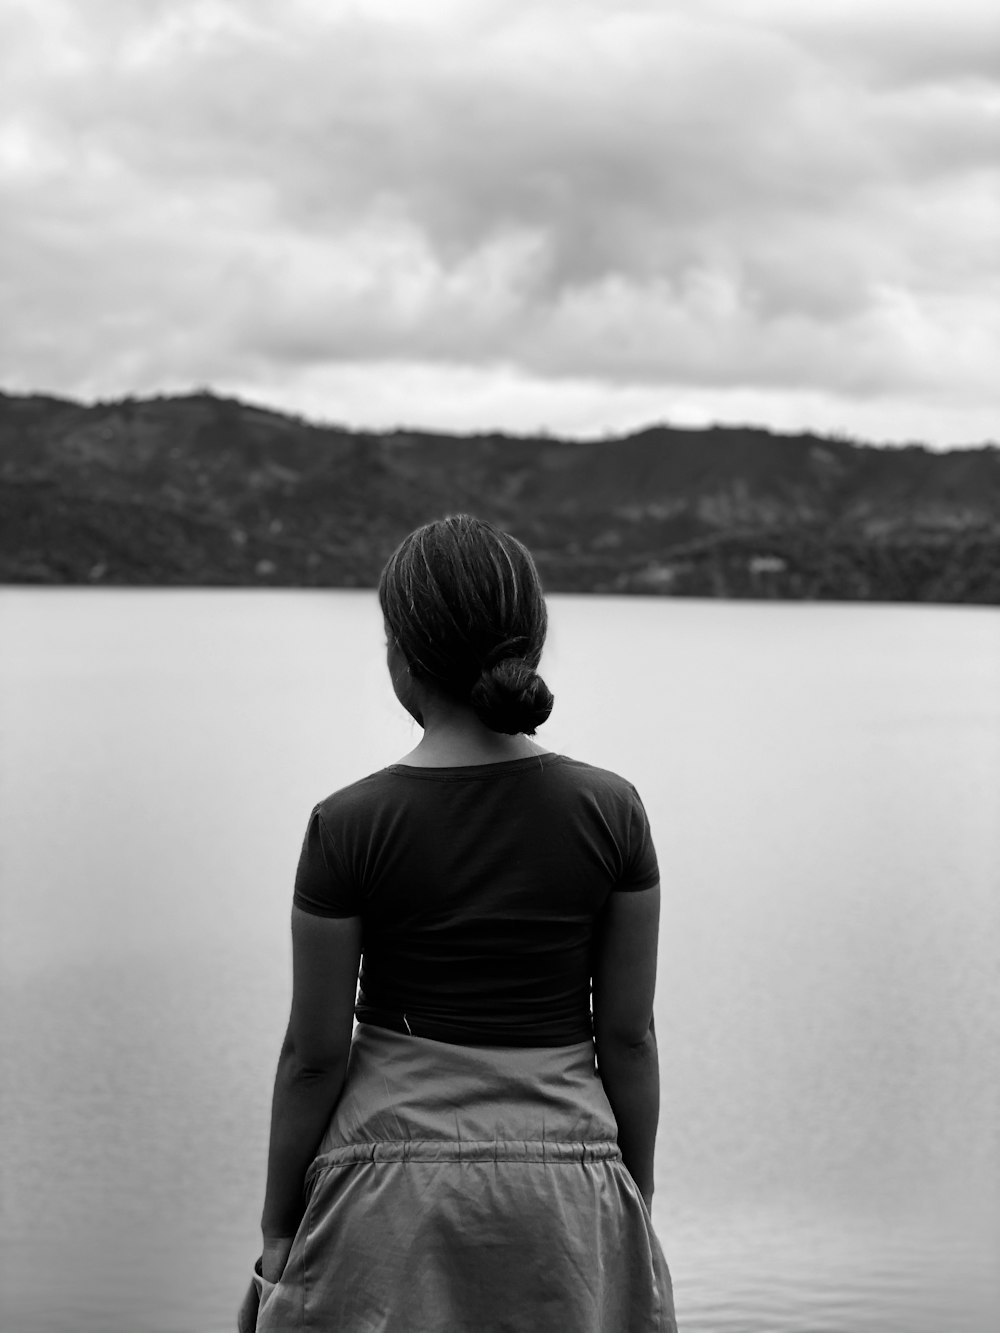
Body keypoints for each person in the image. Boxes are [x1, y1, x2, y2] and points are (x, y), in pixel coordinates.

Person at [239, 514, 678, 1333]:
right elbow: (629, 1039)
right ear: (531, 645)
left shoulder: (348, 824)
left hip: (383, 1190)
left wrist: (277, 1222)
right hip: (568, 1185)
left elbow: (313, 1056)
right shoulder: (612, 812)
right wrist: (633, 1194)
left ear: (403, 656)